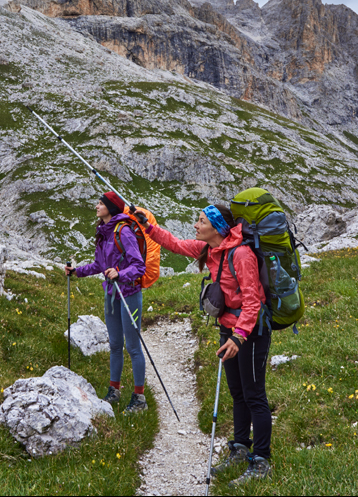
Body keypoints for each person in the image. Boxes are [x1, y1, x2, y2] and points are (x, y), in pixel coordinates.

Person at [137, 204, 272, 482]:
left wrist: (239, 336)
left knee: (254, 395)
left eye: (201, 221)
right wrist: (148, 227)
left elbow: (253, 301)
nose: (196, 226)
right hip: (228, 329)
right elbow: (173, 244)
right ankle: (239, 448)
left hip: (251, 333)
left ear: (217, 228)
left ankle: (261, 461)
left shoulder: (242, 254)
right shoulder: (208, 249)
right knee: (237, 392)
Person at [64, 191, 148, 413]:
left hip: (129, 293)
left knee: (132, 346)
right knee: (114, 344)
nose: (96, 206)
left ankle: (139, 398)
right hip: (111, 293)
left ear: (111, 208)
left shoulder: (124, 231)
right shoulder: (103, 233)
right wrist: (76, 272)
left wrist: (120, 274)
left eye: (101, 203)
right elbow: (99, 265)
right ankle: (114, 390)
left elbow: (139, 266)